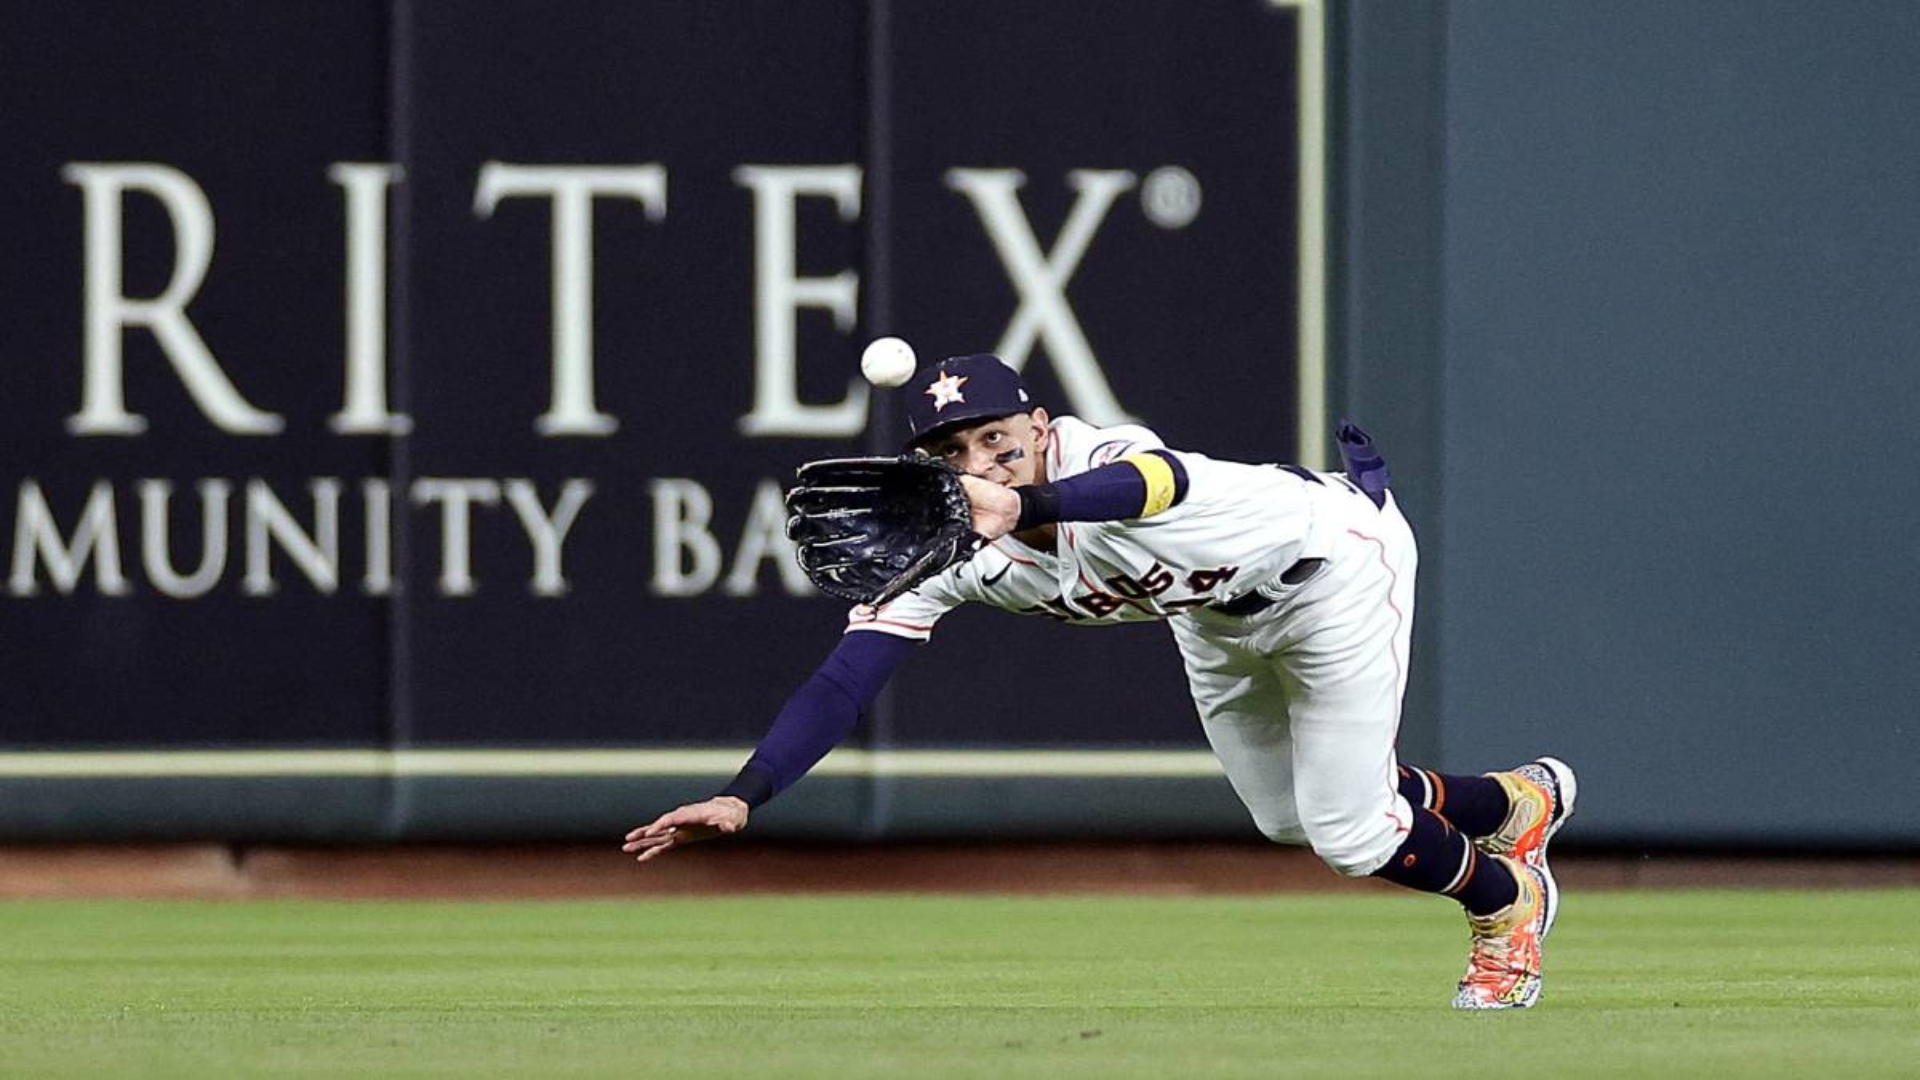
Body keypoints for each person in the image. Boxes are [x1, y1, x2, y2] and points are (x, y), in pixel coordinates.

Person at [624, 353, 1577, 1010]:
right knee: (1289, 820)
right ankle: (1510, 801)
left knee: (1346, 829)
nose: (977, 463)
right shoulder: (950, 547)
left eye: (997, 437)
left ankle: (1506, 904)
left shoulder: (1100, 457)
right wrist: (748, 791)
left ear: (1040, 427)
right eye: (951, 454)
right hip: (1209, 619)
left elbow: (1153, 486)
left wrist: (1023, 500)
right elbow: (846, 678)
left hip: (1333, 571)